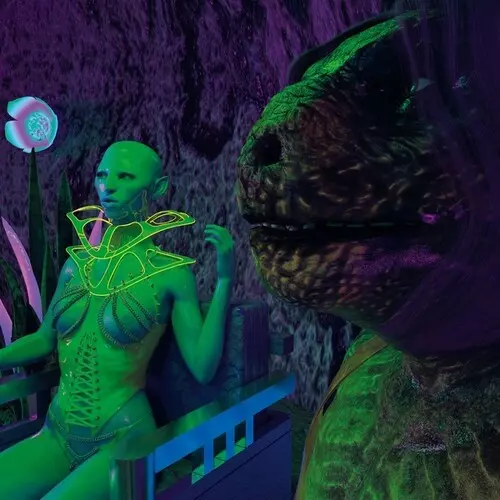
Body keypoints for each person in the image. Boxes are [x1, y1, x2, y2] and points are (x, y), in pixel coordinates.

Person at [0, 140, 235, 499]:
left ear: (158, 188)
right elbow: (44, 339)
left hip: (123, 437)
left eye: (125, 177)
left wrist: (224, 280)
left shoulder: (170, 274)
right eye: (102, 175)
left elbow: (203, 367)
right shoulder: (76, 265)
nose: (108, 186)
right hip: (57, 433)